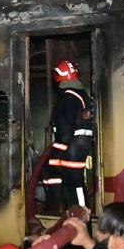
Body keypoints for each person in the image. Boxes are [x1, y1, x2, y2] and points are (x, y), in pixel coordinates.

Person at [40, 59, 95, 213]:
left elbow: (66, 130)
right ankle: (57, 208)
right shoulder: (80, 95)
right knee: (51, 172)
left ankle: (82, 216)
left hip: (72, 148)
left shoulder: (68, 98)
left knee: (74, 181)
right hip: (74, 146)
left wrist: (65, 148)